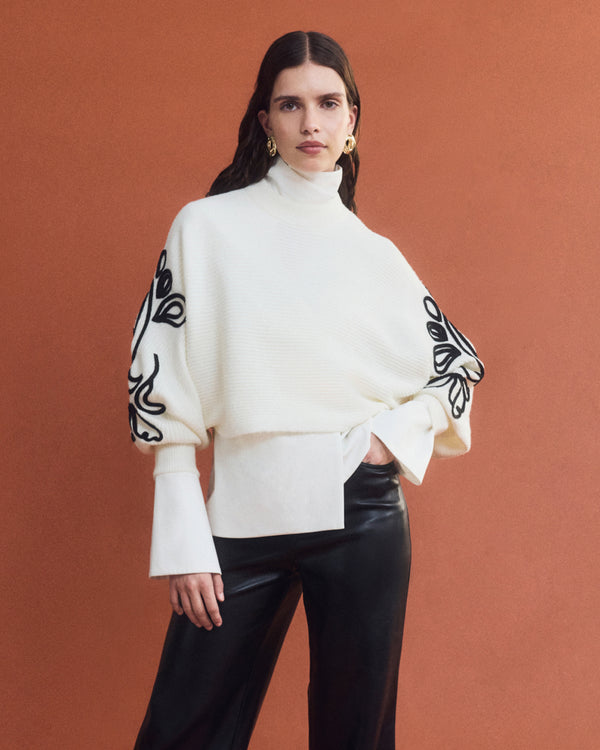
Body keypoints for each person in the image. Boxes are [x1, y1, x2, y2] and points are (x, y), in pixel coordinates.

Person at [128, 30, 484, 750]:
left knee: (356, 736)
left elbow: (457, 366)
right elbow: (161, 371)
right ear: (265, 120)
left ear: (352, 120)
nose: (311, 124)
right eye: (291, 105)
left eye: (328, 103)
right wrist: (183, 536)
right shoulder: (206, 227)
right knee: (180, 730)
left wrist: (386, 441)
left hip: (362, 516)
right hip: (244, 512)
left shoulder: (373, 253)